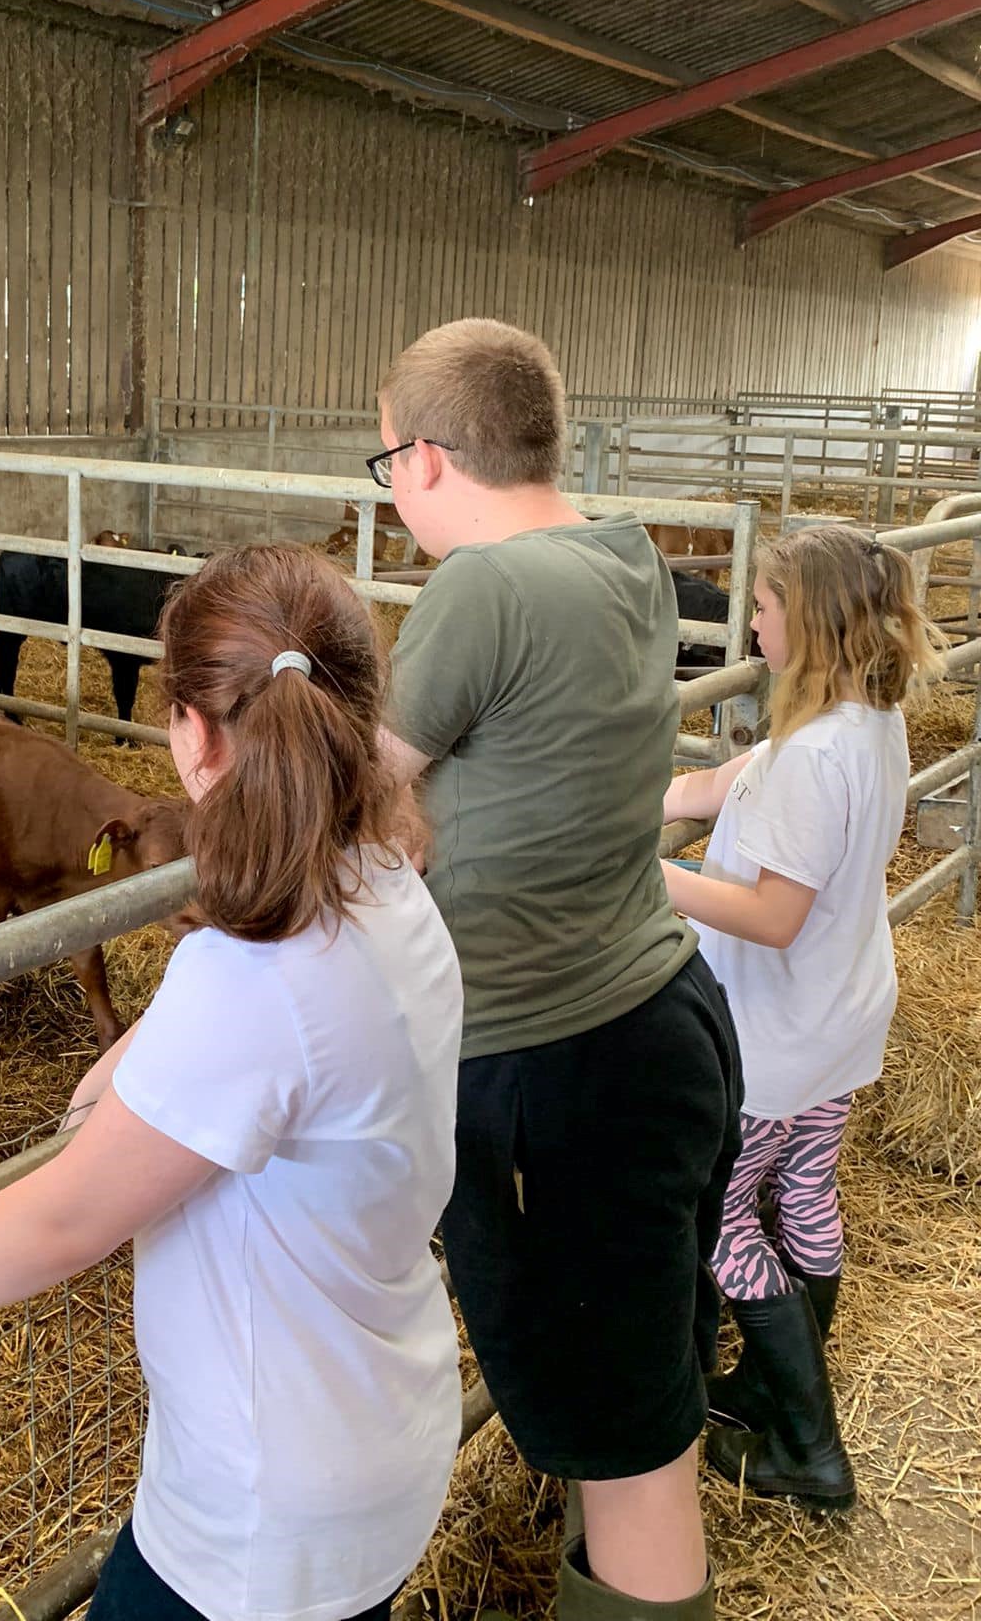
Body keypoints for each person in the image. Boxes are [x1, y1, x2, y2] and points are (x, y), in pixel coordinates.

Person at [0, 543, 465, 1621]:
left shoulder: (256, 978)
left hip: (261, 1512)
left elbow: (65, 1217)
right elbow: (226, 1061)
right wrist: (147, 1041)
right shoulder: (382, 880)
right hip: (369, 1422)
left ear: (189, 734)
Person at [373, 318, 741, 1621]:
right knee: (634, 1405)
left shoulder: (483, 589)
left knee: (636, 1465)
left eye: (385, 468)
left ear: (422, 459)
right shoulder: (622, 555)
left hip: (556, 1068)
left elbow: (365, 790)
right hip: (663, 1017)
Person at [662, 525, 944, 1513]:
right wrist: (608, 805)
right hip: (841, 1012)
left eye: (765, 605)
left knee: (724, 1217)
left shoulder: (804, 759)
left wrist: (648, 875)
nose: (750, 619)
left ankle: (812, 1450)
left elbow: (773, 915)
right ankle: (778, 1387)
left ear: (809, 623)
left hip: (774, 1031)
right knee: (807, 1195)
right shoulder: (867, 723)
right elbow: (704, 787)